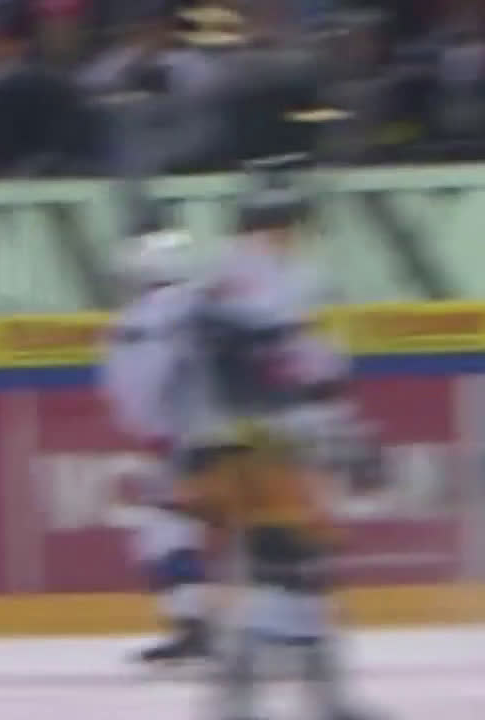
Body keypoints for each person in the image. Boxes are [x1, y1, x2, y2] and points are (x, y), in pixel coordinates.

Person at [176, 157, 374, 720]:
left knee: (288, 570)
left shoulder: (216, 280)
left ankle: (273, 694)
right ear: (278, 225)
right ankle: (265, 694)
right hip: (263, 448)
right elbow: (304, 364)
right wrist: (342, 427)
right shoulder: (279, 281)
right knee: (292, 569)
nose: (294, 237)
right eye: (290, 225)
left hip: (233, 445)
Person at [97, 224, 215, 666]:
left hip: (190, 439)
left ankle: (193, 628)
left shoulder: (147, 318)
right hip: (241, 431)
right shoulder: (215, 304)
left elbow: (137, 386)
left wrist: (150, 424)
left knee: (164, 532)